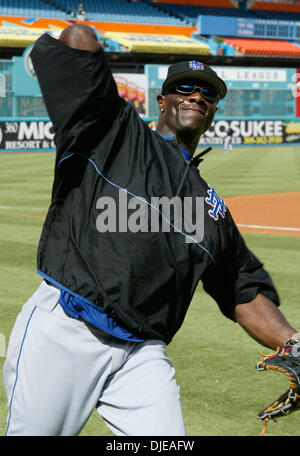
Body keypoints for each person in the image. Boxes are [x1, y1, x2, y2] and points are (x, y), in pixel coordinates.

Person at [3, 24, 299, 436]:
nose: (196, 96)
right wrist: (83, 35)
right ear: (161, 101)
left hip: (142, 352)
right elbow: (77, 40)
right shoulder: (114, 132)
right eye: (185, 87)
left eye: (207, 92)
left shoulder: (211, 209)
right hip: (68, 326)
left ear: (213, 110)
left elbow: (240, 289)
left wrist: (291, 341)